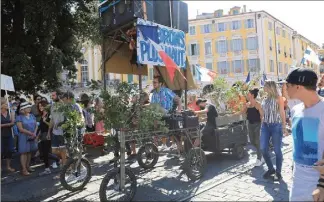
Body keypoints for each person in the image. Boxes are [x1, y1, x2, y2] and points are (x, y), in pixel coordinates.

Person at [278, 68, 324, 201]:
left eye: (287, 85)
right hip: (298, 180)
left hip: (317, 182)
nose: (285, 89)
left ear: (298, 86)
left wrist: (321, 185)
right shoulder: (295, 110)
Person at [260, 80, 287, 180]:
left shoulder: (278, 98)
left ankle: (278, 172)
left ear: (270, 87)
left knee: (277, 150)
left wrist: (284, 127)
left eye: (265, 85)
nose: (263, 87)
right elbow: (262, 112)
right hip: (265, 126)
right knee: (263, 148)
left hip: (276, 126)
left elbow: (282, 112)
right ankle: (271, 169)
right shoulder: (264, 98)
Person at [150, 76, 182, 150]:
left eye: (155, 82)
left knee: (157, 108)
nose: (153, 84)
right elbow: (152, 106)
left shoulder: (166, 91)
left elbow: (178, 99)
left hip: (168, 113)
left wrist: (179, 110)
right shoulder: (154, 94)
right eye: (153, 82)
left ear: (160, 83)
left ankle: (179, 147)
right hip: (159, 115)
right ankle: (155, 143)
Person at [236, 88, 263, 167]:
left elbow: (262, 115)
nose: (247, 95)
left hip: (258, 124)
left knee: (257, 141)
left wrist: (262, 125)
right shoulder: (247, 104)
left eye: (248, 94)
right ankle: (261, 154)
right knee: (252, 142)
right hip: (250, 124)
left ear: (252, 95)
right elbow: (242, 112)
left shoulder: (258, 104)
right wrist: (231, 115)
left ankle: (259, 158)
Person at [16, 102, 38, 176]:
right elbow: (20, 129)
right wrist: (31, 133)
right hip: (24, 136)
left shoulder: (32, 115)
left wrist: (34, 133)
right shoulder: (19, 117)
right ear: (23, 109)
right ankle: (24, 169)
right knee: (24, 153)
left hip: (32, 136)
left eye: (29, 107)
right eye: (27, 107)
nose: (29, 108)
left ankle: (28, 167)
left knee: (29, 152)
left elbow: (36, 125)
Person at [37, 100, 53, 176]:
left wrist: (45, 121)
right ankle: (48, 167)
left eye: (41, 106)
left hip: (47, 134)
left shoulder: (49, 114)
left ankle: (48, 168)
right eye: (39, 106)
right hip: (42, 135)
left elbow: (51, 125)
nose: (40, 107)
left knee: (46, 152)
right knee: (43, 152)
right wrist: (37, 136)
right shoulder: (42, 115)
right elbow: (41, 127)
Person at [1, 98, 16, 172]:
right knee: (1, 151)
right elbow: (10, 123)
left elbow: (13, 123)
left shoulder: (10, 112)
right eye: (6, 104)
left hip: (9, 134)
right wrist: (8, 124)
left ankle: (8, 166)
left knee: (10, 150)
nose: (8, 105)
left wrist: (4, 124)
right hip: (1, 135)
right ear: (1, 105)